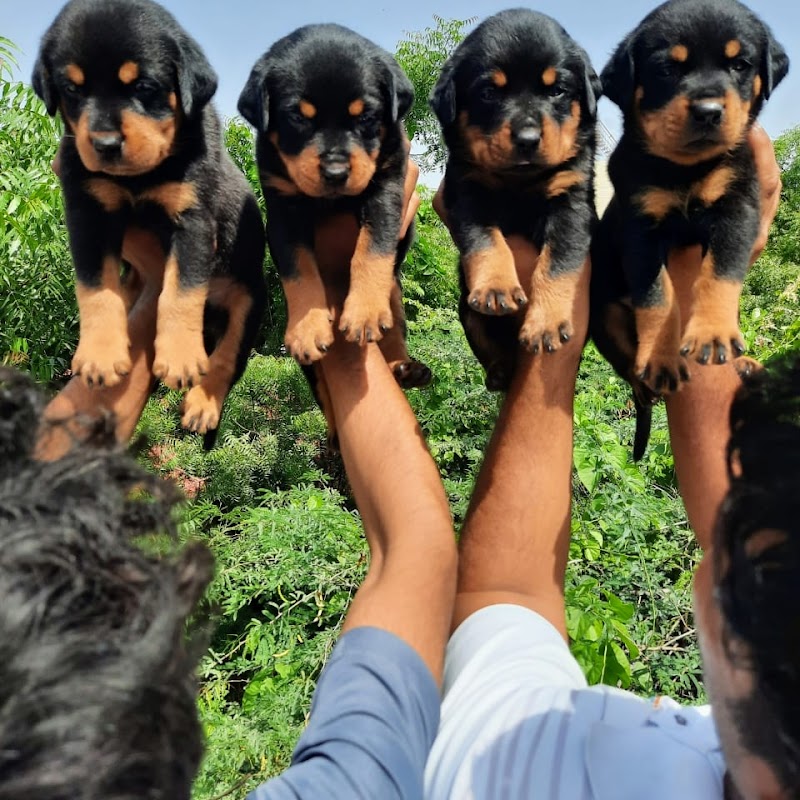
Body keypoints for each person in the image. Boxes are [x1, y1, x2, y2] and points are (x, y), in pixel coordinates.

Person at [3, 121, 794, 800]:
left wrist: (312, 291)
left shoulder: (534, 769)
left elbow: (486, 584)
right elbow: (449, 569)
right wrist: (690, 278)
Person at [423, 121, 798, 800]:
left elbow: (504, 596)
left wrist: (559, 311)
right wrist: (698, 261)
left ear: (720, 606)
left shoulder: (530, 776)